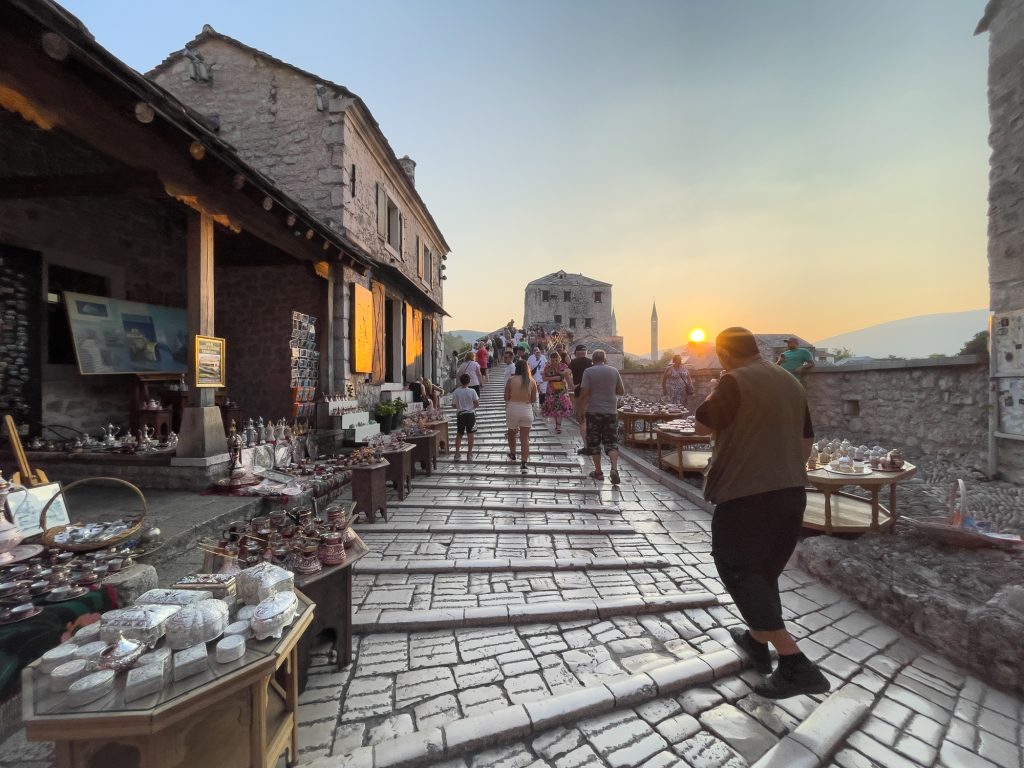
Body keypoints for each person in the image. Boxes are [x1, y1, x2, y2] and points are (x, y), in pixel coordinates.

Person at [695, 327, 828, 700]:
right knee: (763, 573)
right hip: (790, 493)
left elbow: (701, 424)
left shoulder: (734, 380)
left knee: (736, 569)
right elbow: (806, 441)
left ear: (723, 354)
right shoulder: (790, 382)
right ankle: (756, 641)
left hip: (747, 494)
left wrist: (716, 386)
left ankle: (794, 662)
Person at [577, 349, 624, 485]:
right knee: (612, 442)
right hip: (611, 411)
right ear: (605, 358)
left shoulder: (588, 372)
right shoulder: (614, 371)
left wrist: (579, 410)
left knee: (594, 442)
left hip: (594, 411)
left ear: (593, 359)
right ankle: (614, 469)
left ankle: (598, 472)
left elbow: (585, 392)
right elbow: (621, 391)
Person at [504, 359, 537, 473]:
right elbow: (533, 400)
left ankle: (513, 454)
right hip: (526, 410)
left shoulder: (511, 380)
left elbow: (506, 397)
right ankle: (524, 463)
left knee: (511, 433)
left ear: (516, 368)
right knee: (524, 438)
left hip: (513, 408)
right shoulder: (532, 381)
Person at [568, 344, 593, 448]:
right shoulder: (591, 362)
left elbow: (565, 373)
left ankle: (586, 445)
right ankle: (593, 442)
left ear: (576, 353)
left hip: (579, 394)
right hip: (592, 394)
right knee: (591, 419)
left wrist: (572, 386)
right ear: (585, 352)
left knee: (582, 421)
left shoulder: (573, 362)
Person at [541, 352, 573, 433]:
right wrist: (555, 377)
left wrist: (564, 380)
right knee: (554, 407)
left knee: (561, 407)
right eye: (552, 360)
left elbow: (569, 375)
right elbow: (544, 378)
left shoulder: (564, 366)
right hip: (551, 389)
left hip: (561, 389)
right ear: (550, 360)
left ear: (559, 359)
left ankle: (558, 427)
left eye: (556, 360)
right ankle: (557, 425)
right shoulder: (547, 367)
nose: (554, 362)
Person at [452, 373, 480, 462]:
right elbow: (477, 403)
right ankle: (469, 453)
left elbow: (453, 405)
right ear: (469, 381)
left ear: (460, 381)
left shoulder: (456, 391)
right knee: (470, 434)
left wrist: (460, 407)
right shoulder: (472, 391)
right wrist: (472, 408)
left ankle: (457, 453)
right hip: (470, 414)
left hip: (460, 414)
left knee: (459, 434)